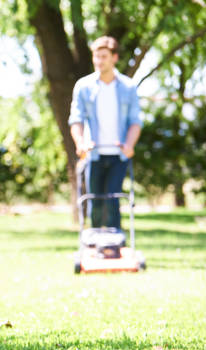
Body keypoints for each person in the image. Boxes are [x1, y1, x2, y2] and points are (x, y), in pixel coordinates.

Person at [68, 35, 142, 230]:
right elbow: (76, 119)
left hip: (119, 154)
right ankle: (95, 243)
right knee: (95, 202)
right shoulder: (83, 87)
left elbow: (135, 121)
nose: (99, 61)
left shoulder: (128, 87)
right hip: (94, 154)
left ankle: (115, 244)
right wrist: (80, 144)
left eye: (103, 56)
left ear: (114, 58)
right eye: (96, 56)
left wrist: (129, 145)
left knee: (113, 200)